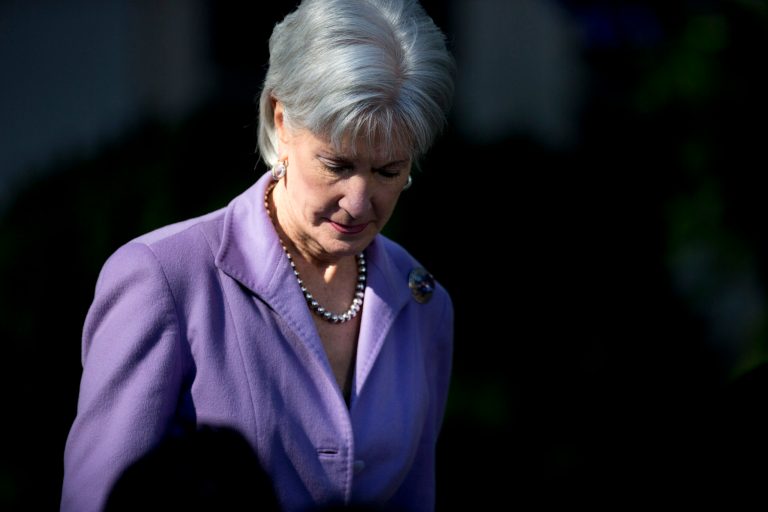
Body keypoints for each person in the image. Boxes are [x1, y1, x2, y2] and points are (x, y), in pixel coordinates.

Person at [61, 0, 455, 510]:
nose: (359, 203)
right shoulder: (163, 277)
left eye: (387, 171)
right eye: (337, 164)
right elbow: (98, 500)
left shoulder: (421, 300)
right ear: (281, 120)